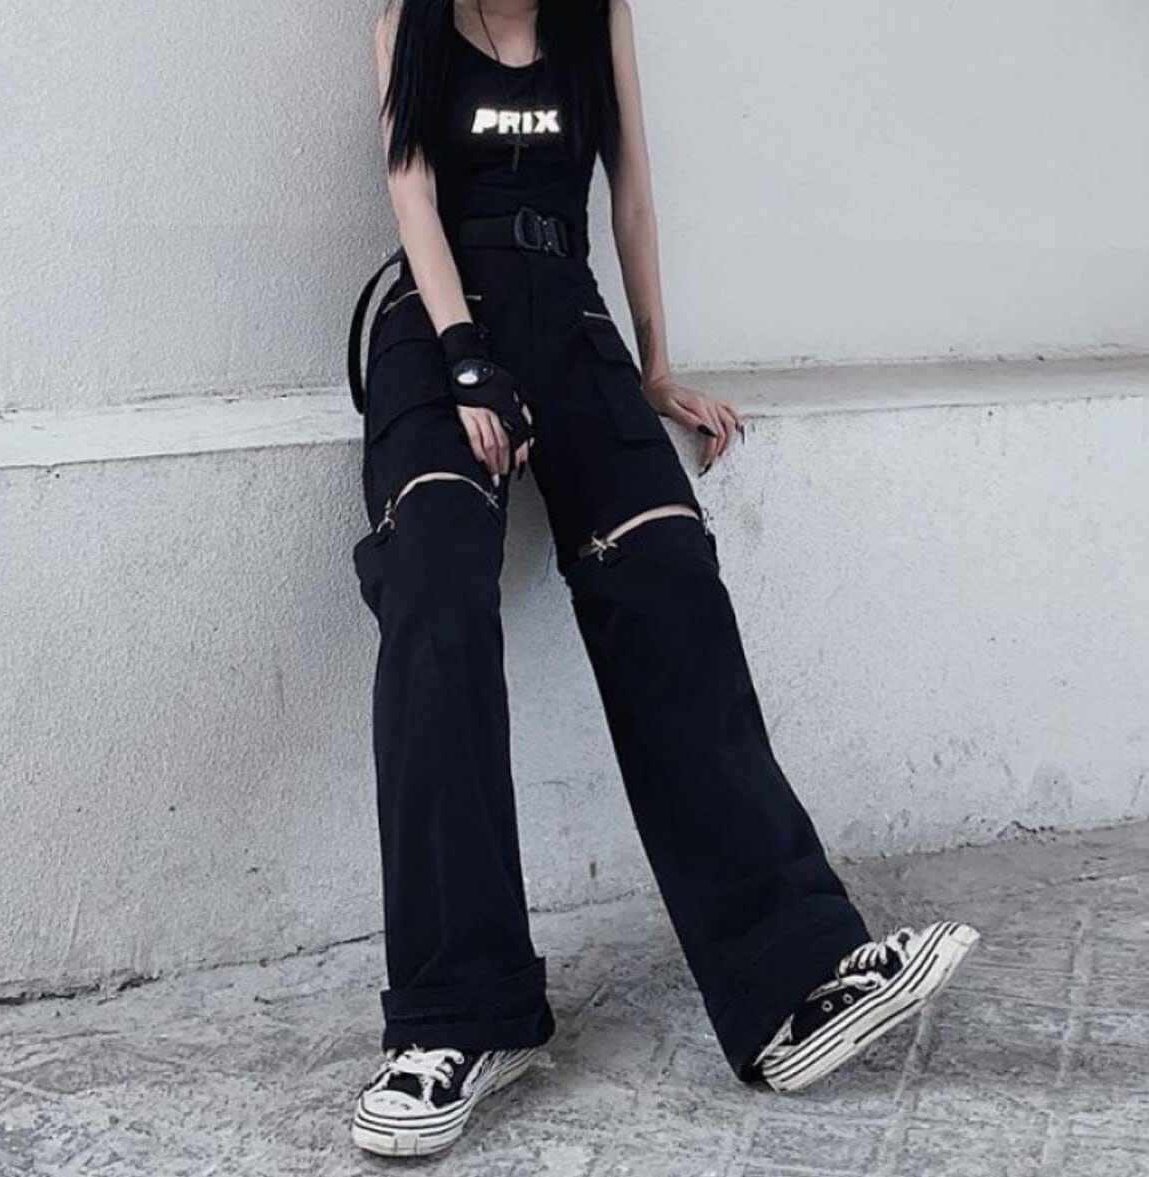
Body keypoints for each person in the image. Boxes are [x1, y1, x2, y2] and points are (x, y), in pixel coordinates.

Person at [347, 0, 980, 1158]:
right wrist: (466, 362)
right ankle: (457, 1019)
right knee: (434, 589)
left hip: (567, 315)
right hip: (436, 327)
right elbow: (411, 190)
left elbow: (630, 195)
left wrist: (654, 367)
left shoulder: (598, 16)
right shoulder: (410, 14)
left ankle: (792, 982)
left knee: (668, 576)